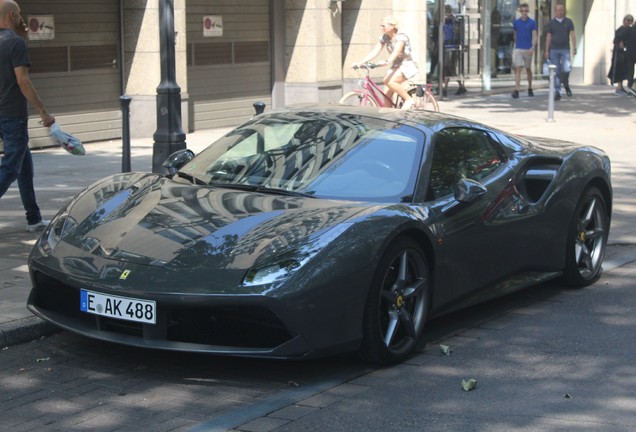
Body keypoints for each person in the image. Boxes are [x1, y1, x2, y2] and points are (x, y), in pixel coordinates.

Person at [0, 0, 55, 232]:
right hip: (12, 116)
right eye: (20, 14)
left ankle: (33, 219)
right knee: (11, 167)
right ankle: (33, 218)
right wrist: (43, 111)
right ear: (12, 14)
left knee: (24, 168)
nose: (23, 18)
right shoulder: (15, 43)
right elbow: (23, 81)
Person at [355, 16, 419, 110]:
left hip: (407, 65)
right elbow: (375, 51)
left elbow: (396, 52)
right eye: (380, 26)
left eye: (383, 26)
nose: (381, 28)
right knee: (386, 97)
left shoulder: (401, 36)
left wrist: (386, 61)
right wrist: (361, 62)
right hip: (396, 66)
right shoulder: (385, 37)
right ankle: (389, 117)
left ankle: (409, 100)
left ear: (392, 26)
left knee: (389, 81)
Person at [544, 4, 576, 100]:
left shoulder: (568, 22)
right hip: (554, 49)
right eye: (558, 10)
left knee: (566, 68)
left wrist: (574, 47)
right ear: (555, 11)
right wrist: (546, 50)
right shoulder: (551, 23)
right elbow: (548, 37)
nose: (559, 12)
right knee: (556, 71)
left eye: (561, 10)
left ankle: (566, 84)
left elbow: (572, 35)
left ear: (564, 11)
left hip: (565, 49)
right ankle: (558, 92)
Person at [511, 3, 537, 98]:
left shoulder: (532, 22)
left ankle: (530, 87)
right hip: (519, 48)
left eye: (526, 11)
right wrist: (516, 45)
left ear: (528, 11)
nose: (524, 13)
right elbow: (515, 35)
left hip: (528, 49)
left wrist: (532, 47)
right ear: (520, 11)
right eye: (522, 11)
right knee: (518, 69)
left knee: (528, 69)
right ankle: (516, 90)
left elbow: (534, 36)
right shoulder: (516, 22)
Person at [442, 5, 466, 96]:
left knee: (450, 68)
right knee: (448, 69)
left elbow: (452, 33)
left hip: (451, 46)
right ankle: (447, 88)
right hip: (447, 46)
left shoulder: (452, 21)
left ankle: (446, 88)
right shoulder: (447, 21)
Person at [608, 15, 635, 96]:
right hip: (619, 54)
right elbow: (616, 40)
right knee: (619, 70)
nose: (629, 22)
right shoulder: (621, 29)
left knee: (625, 71)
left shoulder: (629, 30)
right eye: (628, 20)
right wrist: (620, 42)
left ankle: (621, 87)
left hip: (626, 54)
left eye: (631, 21)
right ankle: (619, 88)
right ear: (624, 20)